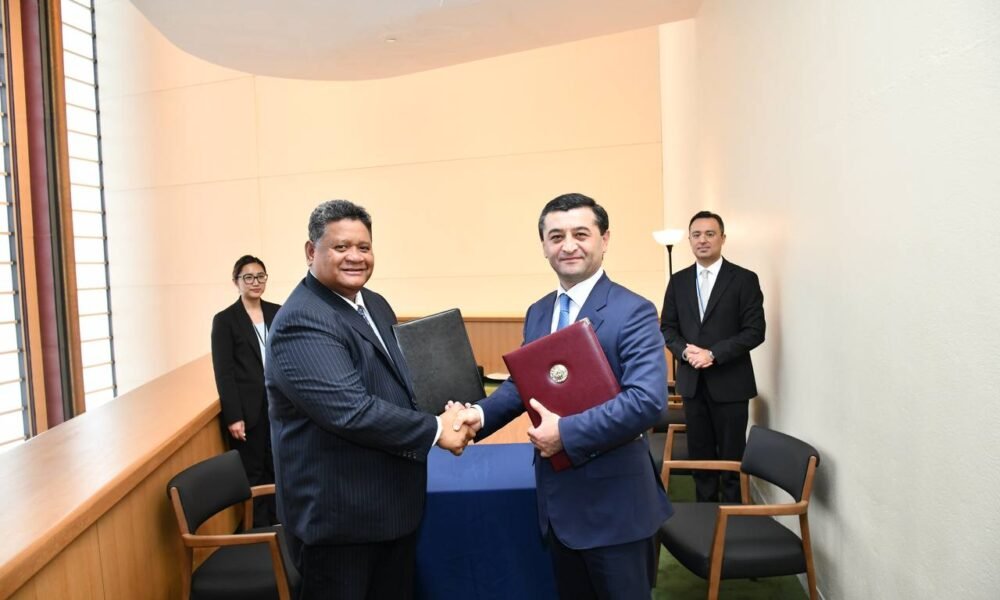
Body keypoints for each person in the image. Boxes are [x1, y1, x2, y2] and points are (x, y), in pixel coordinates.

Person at [454, 193, 673, 600]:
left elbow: (646, 401)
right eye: (556, 236)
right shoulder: (539, 311)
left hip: (615, 508)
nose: (568, 245)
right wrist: (478, 416)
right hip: (557, 505)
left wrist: (565, 433)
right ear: (543, 246)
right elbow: (524, 384)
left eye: (581, 234)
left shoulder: (634, 310)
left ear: (604, 240)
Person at [265, 199, 473, 600]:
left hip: (391, 508)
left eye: (364, 247)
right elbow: (350, 411)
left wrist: (447, 406)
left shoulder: (373, 303)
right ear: (311, 251)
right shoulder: (302, 320)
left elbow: (399, 381)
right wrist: (437, 429)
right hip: (340, 524)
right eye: (341, 247)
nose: (355, 257)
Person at [660, 210, 765, 503]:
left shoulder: (744, 279)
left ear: (722, 238)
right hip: (693, 384)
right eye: (696, 235)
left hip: (731, 384)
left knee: (732, 458)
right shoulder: (678, 281)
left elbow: (755, 331)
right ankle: (705, 512)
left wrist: (713, 354)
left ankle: (733, 514)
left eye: (710, 234)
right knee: (700, 456)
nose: (702, 240)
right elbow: (667, 327)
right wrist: (684, 351)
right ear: (690, 240)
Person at [211, 254, 281, 526]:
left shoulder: (278, 312)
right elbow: (224, 372)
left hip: (279, 402)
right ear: (236, 282)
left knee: (278, 464)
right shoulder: (225, 320)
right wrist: (234, 416)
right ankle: (259, 530)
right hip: (248, 410)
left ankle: (280, 525)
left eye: (260, 276)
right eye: (248, 277)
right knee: (254, 470)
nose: (255, 282)